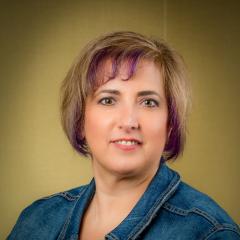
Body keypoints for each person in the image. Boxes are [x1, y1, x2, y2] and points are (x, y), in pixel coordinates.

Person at [8, 31, 240, 240]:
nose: (129, 122)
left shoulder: (210, 233)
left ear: (170, 125)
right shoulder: (36, 220)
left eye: (149, 102)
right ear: (80, 120)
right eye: (108, 100)